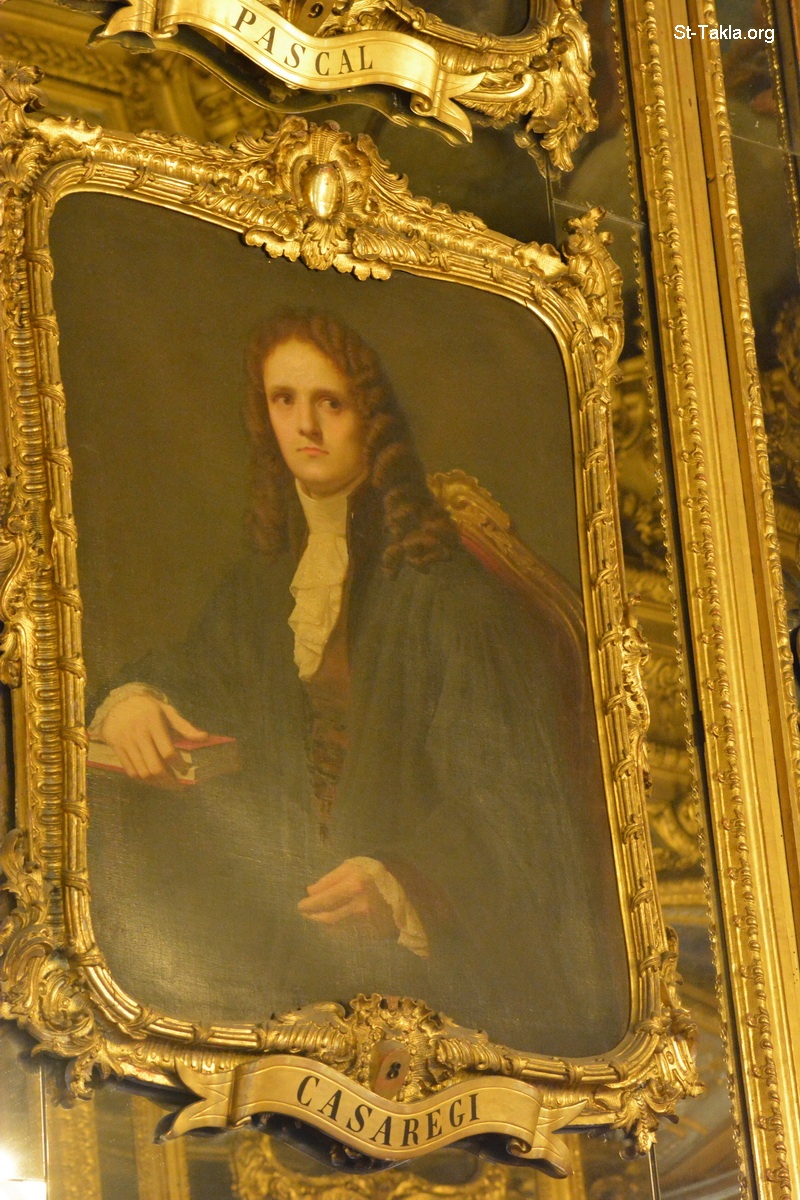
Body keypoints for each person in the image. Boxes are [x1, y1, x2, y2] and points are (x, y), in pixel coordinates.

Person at [88, 311, 628, 1056]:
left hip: (423, 975)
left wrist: (403, 885)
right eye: (284, 400)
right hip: (277, 935)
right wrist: (135, 702)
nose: (305, 427)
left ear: (371, 420)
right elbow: (204, 671)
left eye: (330, 404)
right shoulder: (266, 583)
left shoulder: (449, 599)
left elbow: (513, 807)